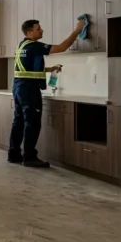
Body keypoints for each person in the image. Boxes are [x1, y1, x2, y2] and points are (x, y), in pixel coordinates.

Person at [9, 18, 85, 167]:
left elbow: (29, 69)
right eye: (38, 29)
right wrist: (76, 31)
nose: (41, 30)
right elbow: (62, 47)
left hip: (18, 87)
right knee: (32, 123)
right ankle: (29, 157)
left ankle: (14, 154)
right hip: (29, 89)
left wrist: (50, 69)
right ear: (29, 32)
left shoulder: (21, 46)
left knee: (19, 121)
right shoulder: (34, 46)